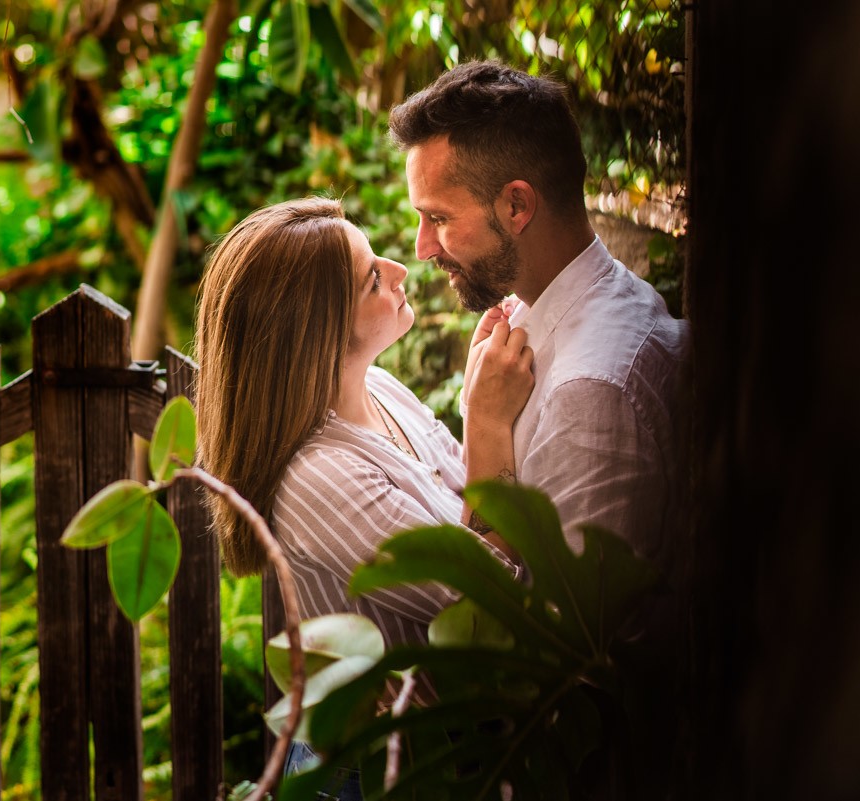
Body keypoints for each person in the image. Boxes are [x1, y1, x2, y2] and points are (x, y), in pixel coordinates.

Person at [195, 197, 532, 652]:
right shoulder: (318, 481)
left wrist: (476, 397)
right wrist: (488, 420)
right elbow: (494, 604)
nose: (400, 270)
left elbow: (468, 499)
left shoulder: (380, 388)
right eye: (373, 279)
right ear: (318, 333)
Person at [388, 60, 690, 565]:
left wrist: (484, 424)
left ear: (516, 206)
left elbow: (553, 612)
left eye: (438, 217)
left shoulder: (590, 394)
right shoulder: (588, 300)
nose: (422, 249)